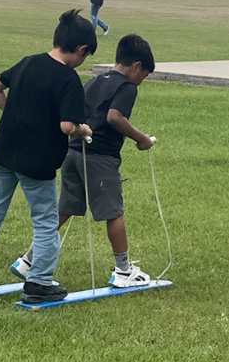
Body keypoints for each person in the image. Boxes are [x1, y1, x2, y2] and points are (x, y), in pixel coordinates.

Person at [0, 10, 95, 305]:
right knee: (46, 221)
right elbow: (66, 126)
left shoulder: (28, 62)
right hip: (37, 161)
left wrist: (16, 114)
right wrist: (83, 129)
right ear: (81, 50)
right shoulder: (69, 80)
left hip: (3, 151)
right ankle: (39, 282)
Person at [11, 34, 157, 288]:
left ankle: (29, 259)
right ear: (136, 67)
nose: (141, 82)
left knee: (65, 208)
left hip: (74, 152)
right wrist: (141, 138)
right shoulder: (127, 87)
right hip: (100, 158)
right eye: (144, 75)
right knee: (114, 212)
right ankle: (123, 269)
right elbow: (115, 117)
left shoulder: (97, 80)